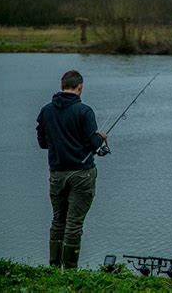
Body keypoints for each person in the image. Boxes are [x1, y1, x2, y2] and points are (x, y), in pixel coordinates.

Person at [36, 70, 107, 269]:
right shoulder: (84, 111)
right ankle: (69, 270)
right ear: (80, 87)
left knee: (58, 220)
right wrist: (101, 138)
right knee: (74, 224)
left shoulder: (46, 111)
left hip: (57, 174)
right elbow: (93, 144)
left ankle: (53, 266)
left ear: (62, 86)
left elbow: (42, 143)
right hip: (82, 174)